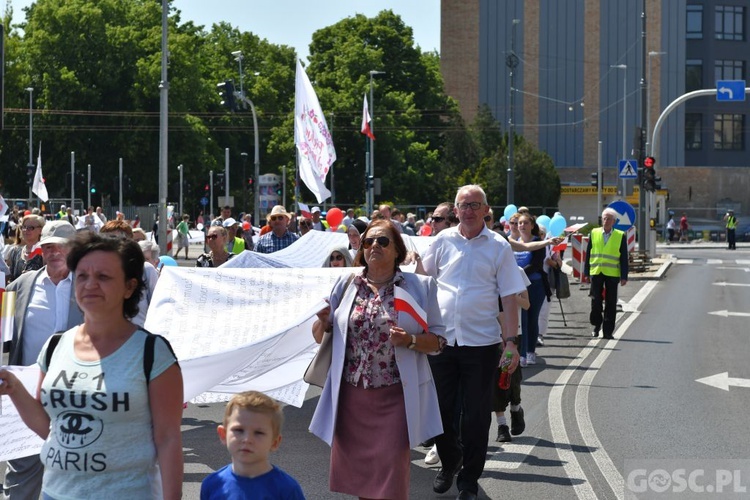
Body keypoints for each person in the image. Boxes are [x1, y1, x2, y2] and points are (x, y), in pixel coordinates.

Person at [0, 231, 184, 499]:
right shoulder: (55, 346)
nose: (89, 285)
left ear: (129, 287)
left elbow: (168, 439)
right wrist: (14, 388)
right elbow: (50, 428)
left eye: (103, 277)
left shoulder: (152, 353)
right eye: (82, 276)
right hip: (55, 493)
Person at [309, 219, 446, 500]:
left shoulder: (420, 287)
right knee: (363, 482)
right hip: (351, 398)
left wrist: (409, 340)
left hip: (397, 397)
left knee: (391, 480)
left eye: (383, 241)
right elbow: (318, 336)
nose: (374, 246)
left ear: (397, 249)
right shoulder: (346, 284)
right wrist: (324, 322)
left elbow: (439, 342)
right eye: (368, 241)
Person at [421, 185, 526, 499]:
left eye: (474, 205)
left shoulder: (498, 247)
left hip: (481, 345)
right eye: (463, 205)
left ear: (485, 209)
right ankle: (451, 459)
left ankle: (469, 480)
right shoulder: (440, 242)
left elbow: (509, 297)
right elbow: (420, 283)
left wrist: (511, 342)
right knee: (439, 411)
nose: (467, 211)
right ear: (455, 210)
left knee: (477, 416)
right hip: (441, 342)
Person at [2, 221, 81, 499]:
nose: (54, 251)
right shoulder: (20, 287)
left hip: (79, 395)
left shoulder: (92, 285)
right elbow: (3, 333)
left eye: (61, 246)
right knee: (22, 472)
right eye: (48, 246)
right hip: (27, 394)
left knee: (76, 473)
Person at [200, 391, 305, 499]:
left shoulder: (287, 489)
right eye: (239, 430)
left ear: (274, 442)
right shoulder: (212, 484)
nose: (247, 439)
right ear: (223, 434)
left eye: (258, 433)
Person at [511, 212, 550, 366]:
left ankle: (530, 351)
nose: (522, 226)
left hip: (535, 285)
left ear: (532, 226)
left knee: (531, 318)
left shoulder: (537, 242)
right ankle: (521, 353)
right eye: (519, 223)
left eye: (525, 223)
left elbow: (536, 265)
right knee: (522, 320)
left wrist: (518, 274)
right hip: (517, 284)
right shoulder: (514, 242)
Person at [584, 207, 628, 339]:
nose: (606, 221)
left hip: (612, 273)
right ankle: (596, 325)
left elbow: (623, 257)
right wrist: (586, 272)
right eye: (604, 218)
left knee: (611, 302)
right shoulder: (594, 232)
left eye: (609, 219)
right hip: (596, 271)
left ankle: (608, 331)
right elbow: (588, 253)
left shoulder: (620, 235)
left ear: (614, 221)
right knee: (596, 300)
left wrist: (624, 276)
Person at [5, 214, 45, 283]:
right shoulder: (14, 252)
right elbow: (10, 282)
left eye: (30, 227)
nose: (26, 230)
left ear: (40, 230)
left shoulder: (45, 253)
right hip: (16, 293)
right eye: (24, 227)